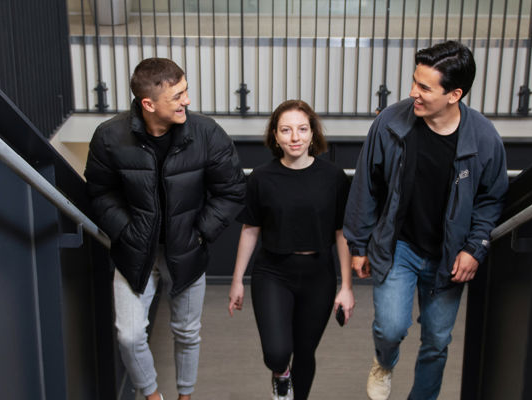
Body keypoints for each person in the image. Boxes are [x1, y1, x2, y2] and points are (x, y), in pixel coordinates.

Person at [343, 41, 508, 400]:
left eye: (425, 87)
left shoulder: (484, 139)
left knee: (436, 341)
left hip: (449, 256)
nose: (412, 93)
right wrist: (359, 246)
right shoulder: (390, 123)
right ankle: (384, 363)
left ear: (455, 94)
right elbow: (365, 187)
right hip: (399, 245)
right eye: (414, 82)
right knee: (391, 329)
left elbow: (491, 199)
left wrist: (475, 248)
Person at [84, 58, 246, 400]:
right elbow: (100, 193)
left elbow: (231, 190)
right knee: (129, 335)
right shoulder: (110, 137)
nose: (187, 100)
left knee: (187, 332)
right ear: (149, 104)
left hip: (186, 250)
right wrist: (125, 232)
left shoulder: (206, 133)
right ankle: (152, 395)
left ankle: (186, 396)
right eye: (178, 95)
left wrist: (200, 232)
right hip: (134, 252)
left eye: (185, 90)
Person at [227, 100, 355, 400]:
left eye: (302, 129)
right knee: (277, 352)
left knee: (305, 351)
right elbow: (250, 229)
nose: (295, 137)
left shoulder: (333, 177)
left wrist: (347, 286)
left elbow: (342, 233)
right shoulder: (260, 177)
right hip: (273, 273)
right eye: (286, 130)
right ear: (275, 136)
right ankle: (280, 374)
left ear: (313, 134)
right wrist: (236, 281)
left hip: (318, 275)